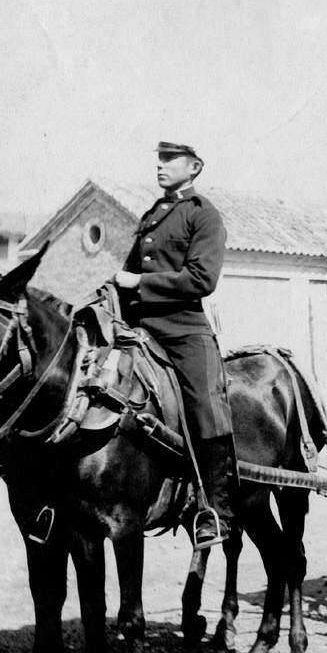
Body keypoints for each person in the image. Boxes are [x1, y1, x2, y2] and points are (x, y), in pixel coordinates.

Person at [114, 141, 237, 550]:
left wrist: (141, 284)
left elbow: (202, 279)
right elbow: (128, 271)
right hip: (139, 325)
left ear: (195, 166)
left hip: (184, 328)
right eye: (159, 159)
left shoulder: (203, 215)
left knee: (205, 402)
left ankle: (214, 509)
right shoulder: (154, 215)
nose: (161, 166)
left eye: (170, 160)